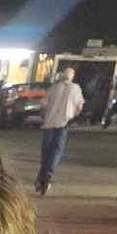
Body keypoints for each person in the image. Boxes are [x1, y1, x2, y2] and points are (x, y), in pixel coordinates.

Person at [36, 66, 85, 194]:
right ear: (72, 76)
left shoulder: (53, 88)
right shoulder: (76, 89)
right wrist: (72, 116)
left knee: (46, 152)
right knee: (56, 151)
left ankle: (41, 178)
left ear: (63, 76)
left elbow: (43, 106)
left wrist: (44, 117)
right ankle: (47, 175)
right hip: (64, 124)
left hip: (49, 123)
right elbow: (79, 107)